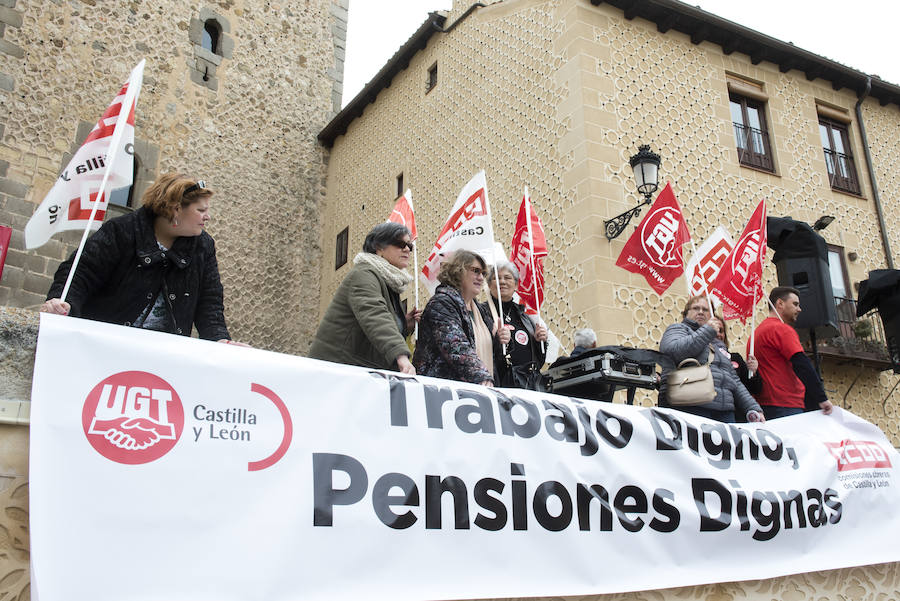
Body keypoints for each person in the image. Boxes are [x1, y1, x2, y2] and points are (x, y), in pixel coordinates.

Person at [41, 173, 236, 343]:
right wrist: (62, 302)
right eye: (201, 210)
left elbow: (210, 301)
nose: (207, 217)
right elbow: (80, 273)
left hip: (163, 352)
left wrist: (220, 340)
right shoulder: (120, 231)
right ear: (176, 209)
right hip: (105, 343)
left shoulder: (203, 246)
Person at [309, 222, 421, 374]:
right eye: (400, 244)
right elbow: (375, 316)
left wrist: (404, 325)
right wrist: (401, 356)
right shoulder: (364, 274)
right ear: (379, 247)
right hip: (335, 370)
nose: (407, 249)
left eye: (409, 246)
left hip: (357, 371)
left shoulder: (389, 282)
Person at [659, 296, 765, 423]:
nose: (700, 312)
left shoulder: (719, 345)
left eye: (705, 310)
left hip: (724, 412)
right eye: (696, 308)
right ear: (686, 313)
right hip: (691, 406)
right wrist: (707, 331)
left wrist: (753, 408)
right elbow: (671, 351)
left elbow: (734, 380)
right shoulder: (678, 329)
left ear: (712, 315)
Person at [413, 250, 510, 386]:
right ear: (458, 271)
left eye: (483, 273)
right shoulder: (441, 303)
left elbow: (493, 357)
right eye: (475, 271)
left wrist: (500, 340)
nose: (481, 278)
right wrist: (481, 376)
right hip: (442, 390)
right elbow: (455, 345)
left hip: (478, 389)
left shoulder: (481, 311)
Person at [751, 286, 834, 419]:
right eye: (795, 304)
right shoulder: (781, 329)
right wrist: (821, 398)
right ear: (780, 303)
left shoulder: (755, 334)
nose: (799, 309)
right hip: (786, 403)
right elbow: (802, 364)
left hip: (764, 405)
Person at [481, 260, 547, 389]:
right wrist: (497, 341)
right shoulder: (482, 312)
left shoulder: (525, 316)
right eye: (496, 278)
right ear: (489, 285)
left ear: (516, 285)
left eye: (507, 277)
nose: (502, 281)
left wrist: (540, 342)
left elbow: (538, 361)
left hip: (527, 386)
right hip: (498, 384)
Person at [709, 316, 762, 396]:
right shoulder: (702, 359)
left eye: (721, 331)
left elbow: (755, 389)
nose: (718, 334)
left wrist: (753, 372)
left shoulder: (735, 358)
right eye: (713, 331)